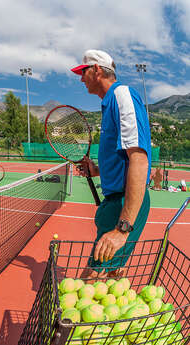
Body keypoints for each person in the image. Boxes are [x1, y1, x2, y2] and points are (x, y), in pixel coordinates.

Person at [71, 50, 151, 280]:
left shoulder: (122, 95)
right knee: (115, 274)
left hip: (124, 202)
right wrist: (95, 170)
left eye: (83, 71)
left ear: (97, 70)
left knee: (90, 279)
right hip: (115, 200)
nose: (80, 78)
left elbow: (139, 158)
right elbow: (122, 160)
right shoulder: (109, 103)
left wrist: (122, 229)